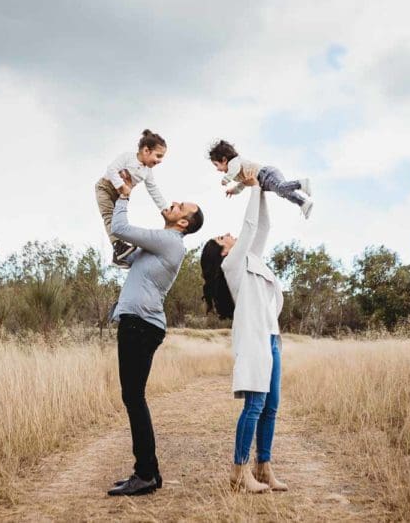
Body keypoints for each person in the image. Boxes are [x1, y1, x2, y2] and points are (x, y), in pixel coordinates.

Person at [107, 171, 204, 497]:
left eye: (180, 206)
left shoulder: (168, 241)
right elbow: (123, 257)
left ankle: (146, 473)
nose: (172, 203)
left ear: (183, 224)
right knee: (134, 397)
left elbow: (120, 228)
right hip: (139, 323)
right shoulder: (160, 244)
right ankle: (147, 472)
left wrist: (124, 194)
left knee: (133, 397)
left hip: (139, 324)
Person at [200, 170, 289, 494]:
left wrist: (263, 190)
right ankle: (239, 471)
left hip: (271, 338)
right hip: (253, 341)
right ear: (223, 252)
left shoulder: (253, 260)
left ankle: (263, 468)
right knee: (254, 405)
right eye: (223, 238)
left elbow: (262, 227)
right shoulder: (232, 267)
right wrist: (251, 186)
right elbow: (249, 226)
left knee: (271, 407)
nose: (228, 235)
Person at [97, 130, 170, 268]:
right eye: (158, 156)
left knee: (119, 221)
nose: (160, 161)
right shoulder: (127, 157)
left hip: (121, 195)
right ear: (146, 150)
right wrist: (121, 185)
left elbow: (153, 190)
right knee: (109, 217)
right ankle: (118, 246)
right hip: (105, 188)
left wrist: (164, 209)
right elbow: (112, 169)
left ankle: (117, 257)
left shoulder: (147, 172)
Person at [207, 139, 313, 219]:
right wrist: (233, 191)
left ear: (224, 160)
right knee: (282, 193)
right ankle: (303, 203)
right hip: (264, 182)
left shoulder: (234, 162)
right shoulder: (236, 175)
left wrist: (226, 179)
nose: (217, 169)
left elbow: (234, 170)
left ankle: (301, 183)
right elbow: (243, 184)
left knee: (280, 189)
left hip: (266, 174)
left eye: (216, 165)